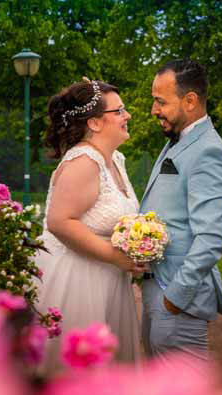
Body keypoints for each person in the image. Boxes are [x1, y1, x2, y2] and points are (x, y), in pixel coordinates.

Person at [35, 79, 144, 373]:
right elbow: (59, 221)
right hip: (77, 281)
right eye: (119, 111)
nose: (127, 115)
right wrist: (114, 255)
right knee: (78, 373)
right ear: (95, 123)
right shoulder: (84, 161)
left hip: (108, 278)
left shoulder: (115, 159)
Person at [139, 59, 222, 362]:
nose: (154, 110)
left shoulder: (209, 150)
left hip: (177, 298)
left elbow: (211, 238)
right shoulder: (177, 140)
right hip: (157, 288)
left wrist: (175, 298)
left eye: (160, 101)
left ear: (190, 101)